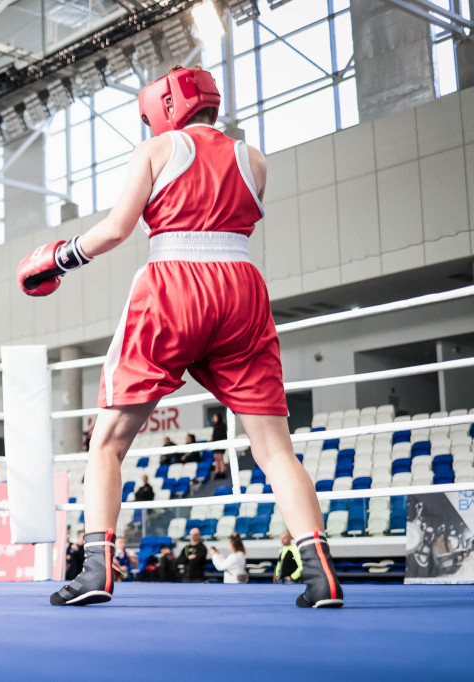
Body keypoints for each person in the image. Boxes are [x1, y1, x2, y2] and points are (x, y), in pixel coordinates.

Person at [18, 65, 342, 608]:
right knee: (274, 449)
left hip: (174, 282)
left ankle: (96, 569)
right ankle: (320, 572)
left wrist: (59, 256)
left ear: (164, 109)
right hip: (242, 289)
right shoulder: (254, 159)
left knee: (108, 441)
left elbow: (118, 229)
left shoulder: (159, 150)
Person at [211, 413, 228, 478]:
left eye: (215, 417)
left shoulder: (223, 426)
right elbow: (213, 435)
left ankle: (222, 471)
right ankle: (217, 472)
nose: (214, 419)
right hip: (215, 444)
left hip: (221, 444)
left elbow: (222, 435)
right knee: (216, 459)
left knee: (220, 458)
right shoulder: (214, 426)